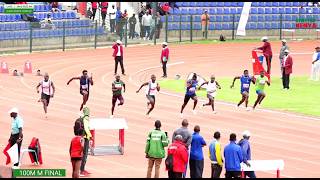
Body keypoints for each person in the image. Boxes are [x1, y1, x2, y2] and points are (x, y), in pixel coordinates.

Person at [79, 107, 93, 177]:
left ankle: (82, 169)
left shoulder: (82, 117)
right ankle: (81, 170)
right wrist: (90, 136)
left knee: (83, 154)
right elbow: (87, 129)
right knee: (85, 154)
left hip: (82, 137)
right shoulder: (86, 118)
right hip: (86, 138)